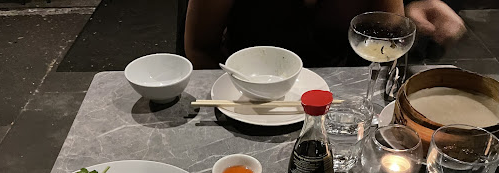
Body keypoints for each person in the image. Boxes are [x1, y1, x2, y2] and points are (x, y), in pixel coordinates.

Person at [184, 0, 465, 69]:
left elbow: (386, 45)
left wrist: (417, 27)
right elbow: (199, 49)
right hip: (249, 94)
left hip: (336, 105)